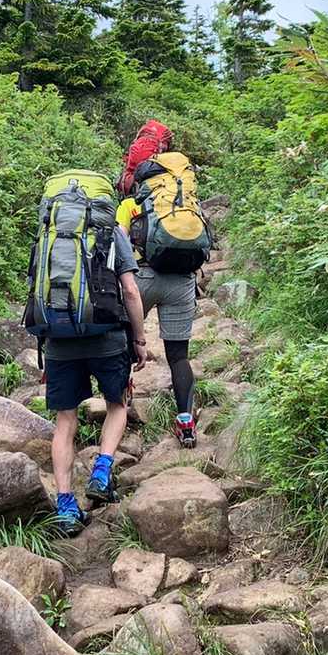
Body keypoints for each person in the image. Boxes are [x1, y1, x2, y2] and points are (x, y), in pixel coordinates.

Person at [42, 220, 153, 537]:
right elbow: (130, 290)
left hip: (59, 340)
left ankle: (66, 507)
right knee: (117, 405)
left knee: (65, 421)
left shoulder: (49, 231)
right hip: (107, 338)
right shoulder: (111, 229)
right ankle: (102, 474)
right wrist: (139, 340)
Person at [117, 143, 203, 450]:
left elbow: (119, 243)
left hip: (142, 278)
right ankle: (186, 423)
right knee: (178, 355)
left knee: (124, 343)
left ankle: (120, 406)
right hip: (181, 281)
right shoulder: (188, 204)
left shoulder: (130, 205)